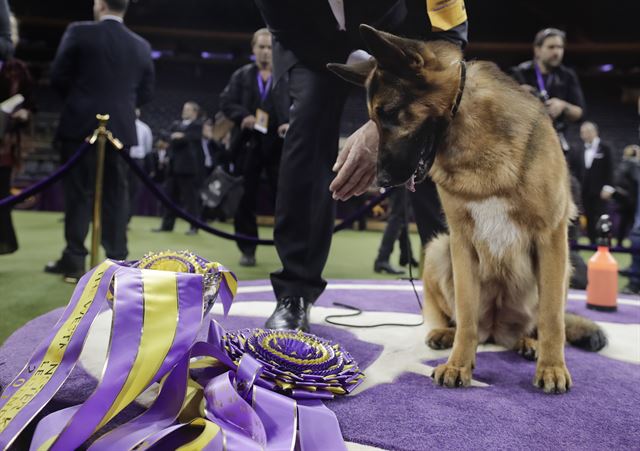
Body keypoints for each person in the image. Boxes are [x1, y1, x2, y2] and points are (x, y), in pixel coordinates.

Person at [254, 0, 467, 331]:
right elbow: (293, 32)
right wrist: (362, 69)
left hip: (404, 42)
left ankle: (454, 292)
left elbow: (448, 38)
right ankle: (294, 292)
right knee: (308, 122)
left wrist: (389, 119)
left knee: (430, 130)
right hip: (311, 46)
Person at [44, 0, 155, 281]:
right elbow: (146, 92)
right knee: (116, 196)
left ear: (100, 4)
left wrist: (79, 103)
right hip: (119, 128)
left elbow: (57, 76)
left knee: (78, 194)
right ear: (124, 7)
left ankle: (74, 260)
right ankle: (118, 260)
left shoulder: (79, 32)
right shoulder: (141, 44)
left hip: (80, 125)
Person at [219, 28, 289, 267]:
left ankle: (287, 251)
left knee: (283, 200)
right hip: (247, 146)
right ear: (253, 49)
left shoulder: (285, 76)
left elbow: (296, 104)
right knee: (244, 199)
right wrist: (243, 116)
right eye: (261, 47)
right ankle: (247, 249)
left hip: (277, 147)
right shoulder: (242, 75)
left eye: (270, 47)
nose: (266, 52)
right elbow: (226, 102)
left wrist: (289, 123)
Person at [511, 28, 585, 154]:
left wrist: (563, 106)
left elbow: (580, 113)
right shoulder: (519, 73)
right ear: (537, 50)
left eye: (560, 47)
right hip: (523, 145)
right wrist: (518, 97)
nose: (557, 52)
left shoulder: (567, 75)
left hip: (555, 144)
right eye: (551, 47)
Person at [0, 13, 34, 255]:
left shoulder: (18, 69)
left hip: (5, 143)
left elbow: (31, 104)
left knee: (2, 193)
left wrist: (24, 113)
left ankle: (4, 242)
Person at [153, 101, 203, 235]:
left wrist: (177, 137)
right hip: (173, 167)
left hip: (188, 168)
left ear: (195, 112)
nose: (184, 111)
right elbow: (166, 135)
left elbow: (186, 139)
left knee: (190, 200)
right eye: (184, 108)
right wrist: (176, 137)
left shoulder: (198, 125)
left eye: (188, 109)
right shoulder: (176, 124)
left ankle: (194, 226)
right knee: (170, 198)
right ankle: (167, 225)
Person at [570, 121, 613, 243]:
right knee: (587, 216)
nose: (585, 135)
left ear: (595, 132)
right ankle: (592, 242)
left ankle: (605, 242)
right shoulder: (578, 150)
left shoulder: (605, 148)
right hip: (583, 191)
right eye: (582, 132)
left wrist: (608, 188)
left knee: (602, 216)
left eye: (588, 131)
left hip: (600, 191)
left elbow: (610, 169)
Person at [373, 188, 418, 274]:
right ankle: (382, 259)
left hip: (402, 180)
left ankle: (406, 257)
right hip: (401, 180)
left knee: (403, 216)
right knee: (397, 216)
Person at [604, 144, 640, 245]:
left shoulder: (624, 164)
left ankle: (619, 242)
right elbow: (637, 180)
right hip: (632, 198)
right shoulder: (633, 164)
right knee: (632, 223)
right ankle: (630, 244)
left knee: (624, 222)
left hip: (625, 197)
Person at [127, 108, 153, 222]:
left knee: (133, 190)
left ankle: (127, 219)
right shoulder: (123, 124)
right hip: (123, 159)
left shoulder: (144, 128)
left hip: (138, 161)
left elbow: (148, 148)